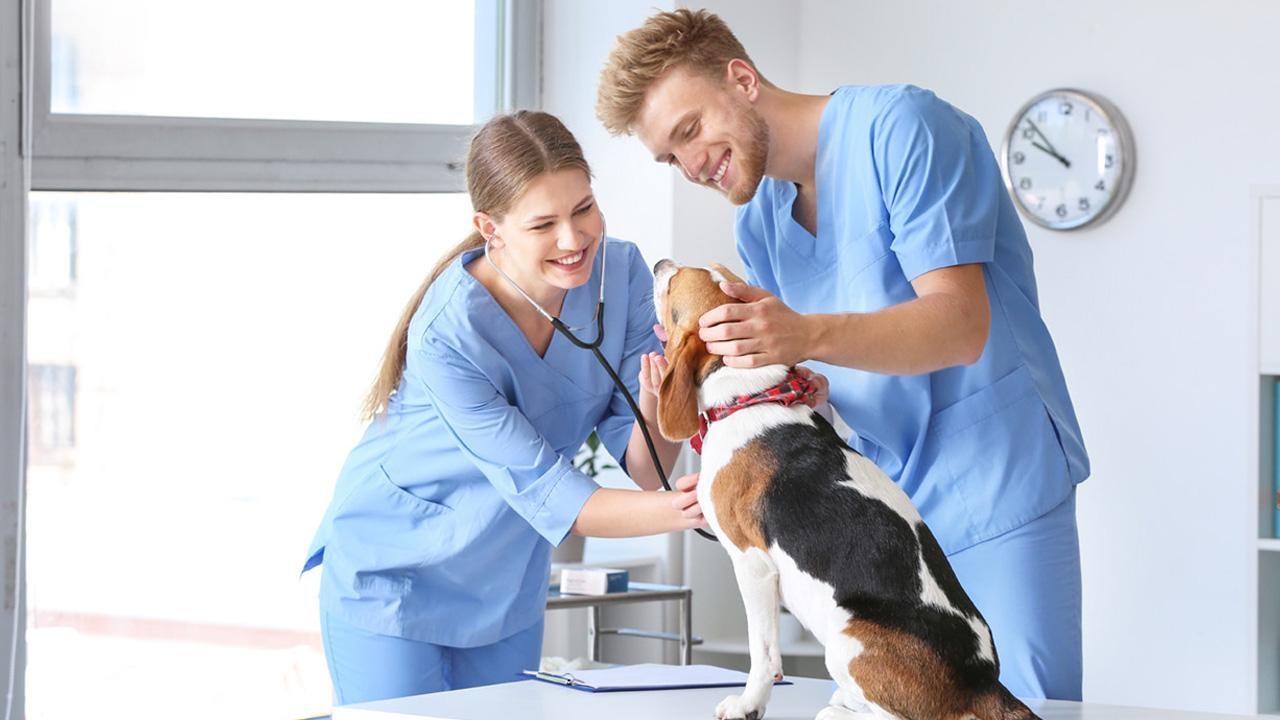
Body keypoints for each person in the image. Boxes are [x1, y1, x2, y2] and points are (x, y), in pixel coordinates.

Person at [597, 9, 1089, 701]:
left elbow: (960, 325)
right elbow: (816, 365)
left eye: (690, 130)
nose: (692, 164)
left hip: (994, 480)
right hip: (879, 508)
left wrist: (803, 336)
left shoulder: (905, 129)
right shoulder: (760, 222)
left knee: (1022, 708)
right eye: (670, 158)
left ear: (742, 80)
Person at [301, 110, 706, 705]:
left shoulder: (619, 274)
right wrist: (702, 505)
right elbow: (550, 491)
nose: (573, 240)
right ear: (490, 228)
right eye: (543, 224)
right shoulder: (449, 333)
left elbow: (650, 470)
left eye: (584, 209)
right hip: (394, 573)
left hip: (506, 579)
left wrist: (654, 399)